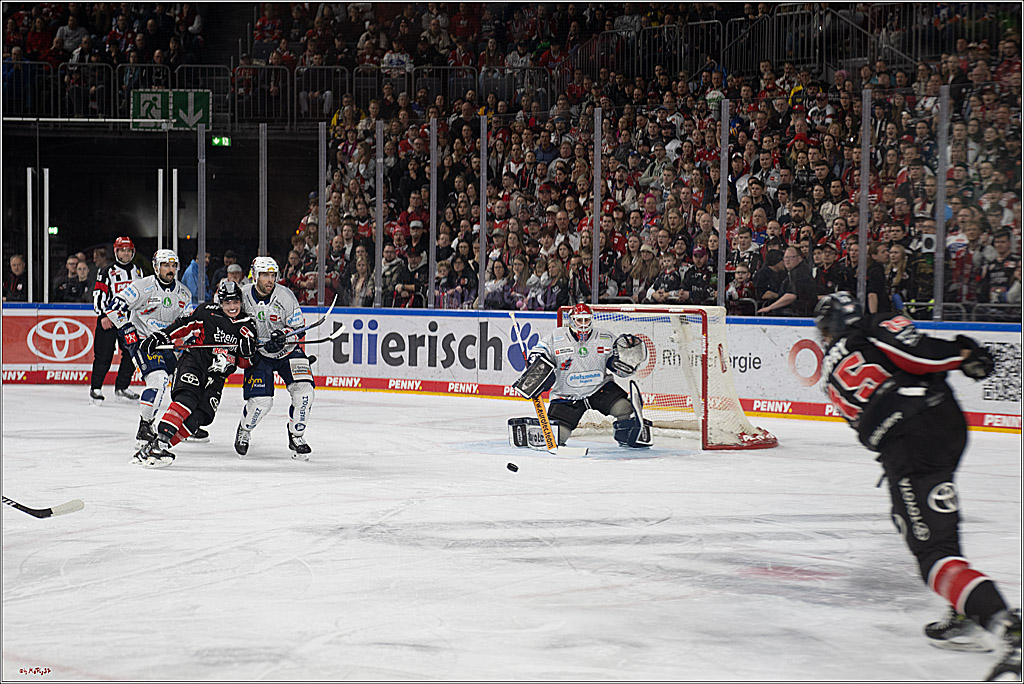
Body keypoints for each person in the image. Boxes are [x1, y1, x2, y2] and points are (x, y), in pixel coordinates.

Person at [813, 293, 1020, 682]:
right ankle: (966, 607)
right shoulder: (871, 329)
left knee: (932, 554)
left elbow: (917, 359)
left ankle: (1005, 624)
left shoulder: (834, 363)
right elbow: (921, 356)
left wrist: (955, 355)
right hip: (927, 431)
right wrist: (964, 352)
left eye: (824, 329)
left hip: (912, 440)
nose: (823, 337)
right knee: (927, 527)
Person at [131, 281, 258, 467]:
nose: (232, 307)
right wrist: (162, 336)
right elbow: (184, 324)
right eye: (227, 302)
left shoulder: (248, 326)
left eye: (235, 302)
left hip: (217, 378)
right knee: (187, 400)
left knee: (200, 416)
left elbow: (244, 363)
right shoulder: (207, 312)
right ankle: (160, 444)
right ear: (220, 302)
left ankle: (156, 445)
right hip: (194, 363)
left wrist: (247, 352)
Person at [513, 303, 651, 449]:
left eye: (586, 320)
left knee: (624, 409)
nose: (583, 324)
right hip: (566, 396)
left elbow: (616, 364)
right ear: (572, 320)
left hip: (599, 389)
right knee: (558, 437)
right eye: (580, 320)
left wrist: (627, 361)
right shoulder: (556, 336)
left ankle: (625, 436)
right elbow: (539, 351)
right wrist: (535, 359)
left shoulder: (605, 336)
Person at [105, 249, 193, 444]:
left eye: (173, 266)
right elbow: (113, 307)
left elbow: (187, 323)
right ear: (156, 267)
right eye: (165, 265)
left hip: (168, 346)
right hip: (145, 343)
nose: (170, 270)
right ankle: (145, 426)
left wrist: (188, 338)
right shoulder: (141, 287)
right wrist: (127, 328)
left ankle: (188, 423)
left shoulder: (184, 294)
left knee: (186, 382)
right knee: (158, 380)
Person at [235, 257, 315, 460]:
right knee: (261, 402)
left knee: (305, 392)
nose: (270, 280)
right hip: (259, 353)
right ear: (254, 275)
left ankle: (296, 435)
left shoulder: (286, 297)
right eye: (264, 275)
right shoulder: (242, 295)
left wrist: (284, 336)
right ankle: (245, 429)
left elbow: (299, 329)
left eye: (273, 275)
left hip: (288, 351)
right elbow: (230, 322)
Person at [90, 237, 146, 404]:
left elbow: (142, 296)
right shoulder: (107, 271)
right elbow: (98, 295)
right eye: (122, 250)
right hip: (110, 320)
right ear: (116, 252)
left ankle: (122, 387)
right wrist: (103, 315)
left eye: (128, 250)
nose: (126, 253)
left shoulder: (138, 271)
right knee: (103, 355)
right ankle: (96, 388)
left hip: (129, 322)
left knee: (131, 353)